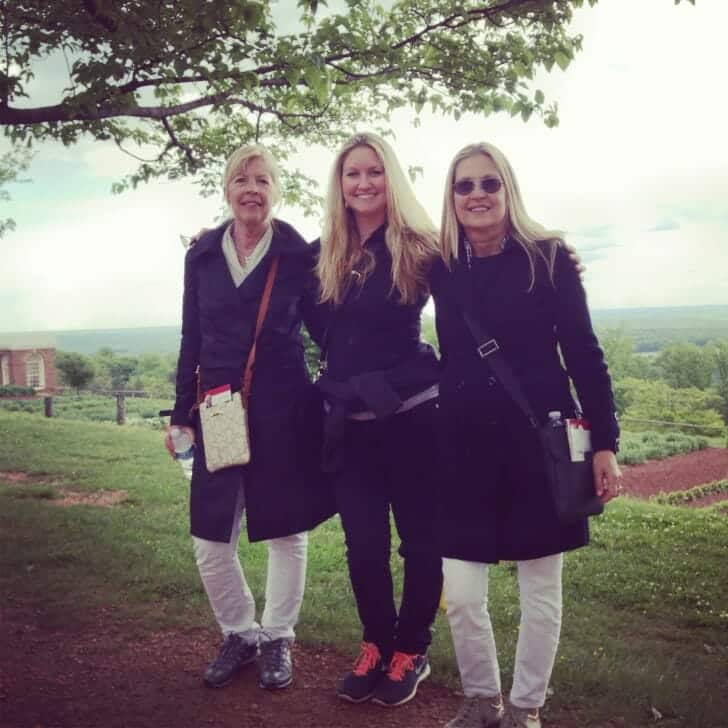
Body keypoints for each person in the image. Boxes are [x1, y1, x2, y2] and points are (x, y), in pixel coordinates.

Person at [429, 142, 622, 728]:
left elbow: (585, 356)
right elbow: (369, 242)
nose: (478, 194)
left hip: (542, 444)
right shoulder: (438, 265)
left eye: (490, 183)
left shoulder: (549, 259)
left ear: (508, 190)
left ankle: (525, 708)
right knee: (461, 592)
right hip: (462, 447)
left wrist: (606, 442)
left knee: (540, 588)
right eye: (465, 186)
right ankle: (481, 698)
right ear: (451, 197)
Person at [165, 144, 333, 692]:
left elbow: (326, 330)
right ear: (227, 189)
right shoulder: (203, 255)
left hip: (284, 410)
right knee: (211, 538)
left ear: (276, 190)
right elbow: (192, 336)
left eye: (262, 179)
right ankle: (240, 632)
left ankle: (279, 636)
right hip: (216, 407)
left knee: (287, 531)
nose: (251, 189)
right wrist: (180, 415)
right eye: (241, 178)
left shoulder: (298, 255)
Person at [313, 132, 444, 707]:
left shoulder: (422, 245)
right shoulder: (326, 252)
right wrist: (211, 239)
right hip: (350, 426)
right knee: (363, 546)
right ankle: (375, 643)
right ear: (339, 186)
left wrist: (549, 255)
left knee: (419, 543)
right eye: (351, 174)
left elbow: (478, 292)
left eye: (373, 172)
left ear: (389, 177)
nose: (362, 183)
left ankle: (411, 649)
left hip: (413, 418)